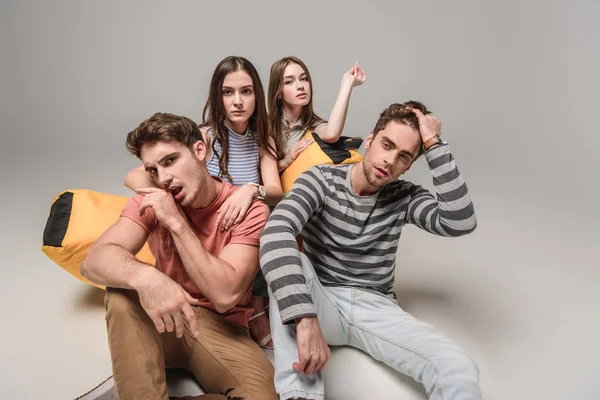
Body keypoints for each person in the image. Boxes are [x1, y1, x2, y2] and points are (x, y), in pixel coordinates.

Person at [259, 101, 481, 400]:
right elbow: (275, 231)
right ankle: (299, 395)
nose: (390, 161)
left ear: (410, 164)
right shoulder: (321, 180)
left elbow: (460, 220)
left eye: (404, 156)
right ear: (370, 138)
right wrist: (306, 318)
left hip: (377, 308)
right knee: (289, 258)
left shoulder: (404, 196)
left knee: (456, 366)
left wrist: (435, 144)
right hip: (322, 299)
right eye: (387, 145)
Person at [82, 112, 278, 400]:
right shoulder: (151, 200)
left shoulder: (249, 210)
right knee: (121, 294)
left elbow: (225, 295)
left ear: (199, 151)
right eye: (152, 170)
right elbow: (94, 260)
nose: (163, 179)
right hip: (165, 315)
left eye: (170, 161)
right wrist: (148, 278)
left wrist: (175, 222)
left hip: (222, 328)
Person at [124, 56, 282, 349]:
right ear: (217, 97)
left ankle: (257, 305)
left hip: (246, 212)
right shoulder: (206, 136)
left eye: (246, 92)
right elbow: (135, 175)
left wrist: (250, 190)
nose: (238, 101)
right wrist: (161, 193)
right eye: (228, 92)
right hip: (208, 214)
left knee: (271, 218)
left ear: (257, 96)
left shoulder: (263, 138)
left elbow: (276, 190)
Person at [268, 57, 366, 173]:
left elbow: (331, 134)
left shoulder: (314, 126)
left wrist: (347, 83)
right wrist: (286, 161)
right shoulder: (266, 124)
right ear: (278, 93)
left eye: (304, 79)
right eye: (289, 81)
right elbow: (254, 174)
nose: (300, 86)